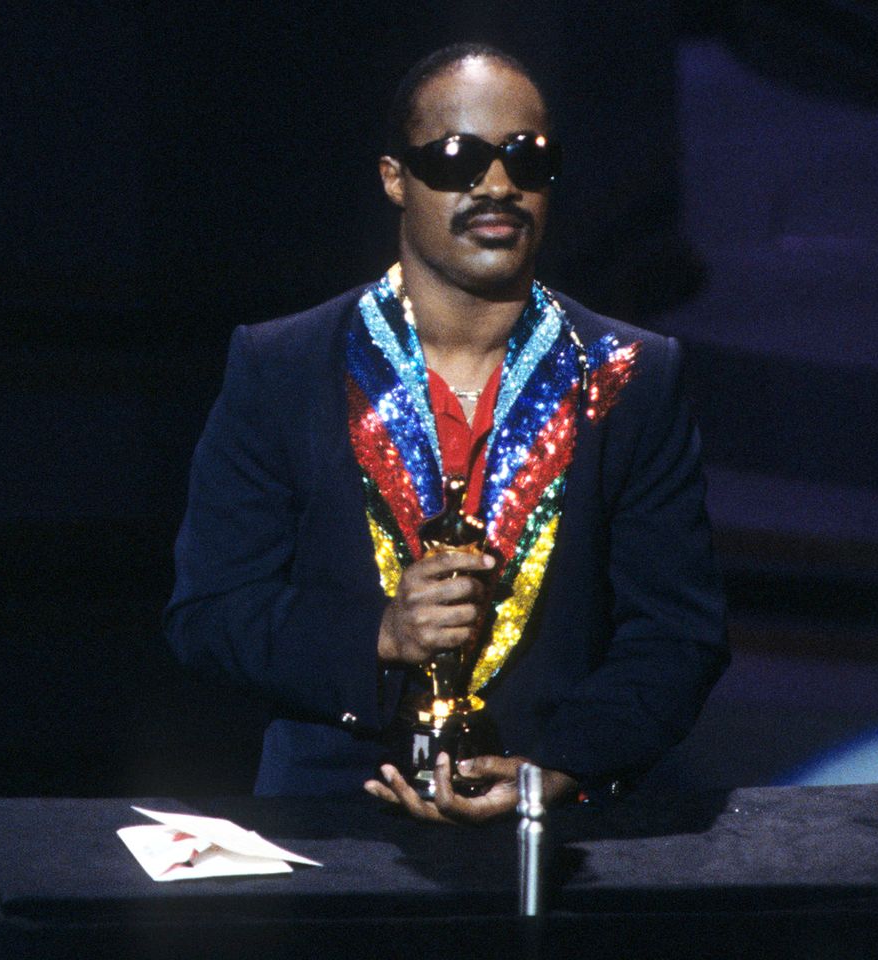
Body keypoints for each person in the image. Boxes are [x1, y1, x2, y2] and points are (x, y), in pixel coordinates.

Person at [165, 43, 727, 824]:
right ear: (395, 177)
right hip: (330, 830)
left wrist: (559, 769)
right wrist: (382, 636)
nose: (497, 185)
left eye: (527, 159)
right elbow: (210, 615)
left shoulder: (631, 375)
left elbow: (678, 636)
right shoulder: (282, 365)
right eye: (459, 157)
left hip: (555, 834)